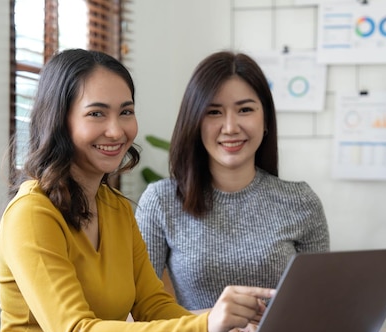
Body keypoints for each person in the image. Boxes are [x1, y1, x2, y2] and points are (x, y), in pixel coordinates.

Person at [0, 49, 274, 332]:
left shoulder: (115, 207)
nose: (117, 130)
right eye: (97, 113)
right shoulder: (32, 212)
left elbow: (153, 305)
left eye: (126, 112)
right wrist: (203, 328)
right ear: (60, 120)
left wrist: (224, 326)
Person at [135, 51, 329, 312]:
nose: (230, 127)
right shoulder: (161, 201)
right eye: (214, 112)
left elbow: (319, 304)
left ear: (266, 120)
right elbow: (136, 309)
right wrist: (210, 323)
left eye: (245, 110)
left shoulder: (301, 202)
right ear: (195, 122)